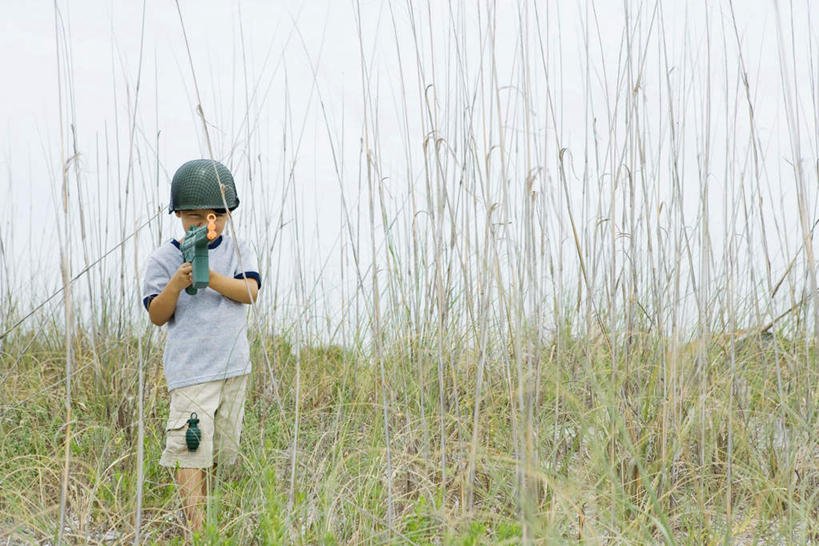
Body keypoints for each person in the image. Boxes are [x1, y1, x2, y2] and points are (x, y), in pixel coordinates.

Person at [141, 159, 260, 533]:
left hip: (233, 369)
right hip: (191, 373)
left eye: (215, 217)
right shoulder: (163, 259)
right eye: (195, 217)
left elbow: (250, 292)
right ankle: (198, 528)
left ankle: (213, 521)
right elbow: (157, 314)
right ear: (177, 214)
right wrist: (177, 283)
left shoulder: (238, 250)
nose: (207, 225)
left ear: (225, 215)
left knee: (223, 452)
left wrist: (210, 278)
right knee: (190, 449)